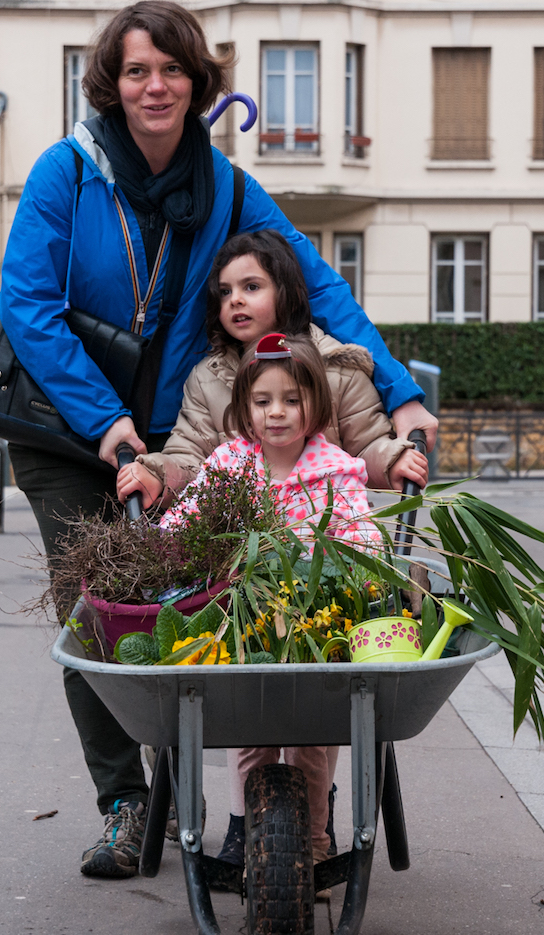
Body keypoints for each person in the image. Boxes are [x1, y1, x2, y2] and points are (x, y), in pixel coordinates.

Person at [0, 0, 437, 880]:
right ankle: (129, 805)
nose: (155, 87)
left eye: (172, 70)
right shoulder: (66, 174)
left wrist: (401, 396)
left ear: (198, 82)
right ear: (111, 84)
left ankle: (245, 793)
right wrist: (106, 422)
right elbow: (27, 306)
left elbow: (318, 289)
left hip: (179, 438)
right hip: (67, 430)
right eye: (136, 71)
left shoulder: (230, 190)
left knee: (196, 607)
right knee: (98, 613)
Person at [158, 333, 375, 876]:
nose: (276, 412)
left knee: (312, 738)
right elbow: (182, 524)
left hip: (313, 628)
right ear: (245, 406)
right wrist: (174, 554)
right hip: (243, 624)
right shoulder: (231, 463)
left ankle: (316, 840)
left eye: (292, 400)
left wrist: (349, 562)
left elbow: (363, 539)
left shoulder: (335, 469)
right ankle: (245, 828)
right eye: (263, 401)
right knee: (248, 728)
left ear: (315, 404)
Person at [117, 230, 429, 511]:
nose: (235, 300)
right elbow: (190, 460)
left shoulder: (337, 368)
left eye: (251, 287)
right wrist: (158, 475)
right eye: (224, 292)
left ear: (285, 293)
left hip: (325, 529)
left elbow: (366, 446)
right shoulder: (207, 378)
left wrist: (392, 460)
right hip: (240, 538)